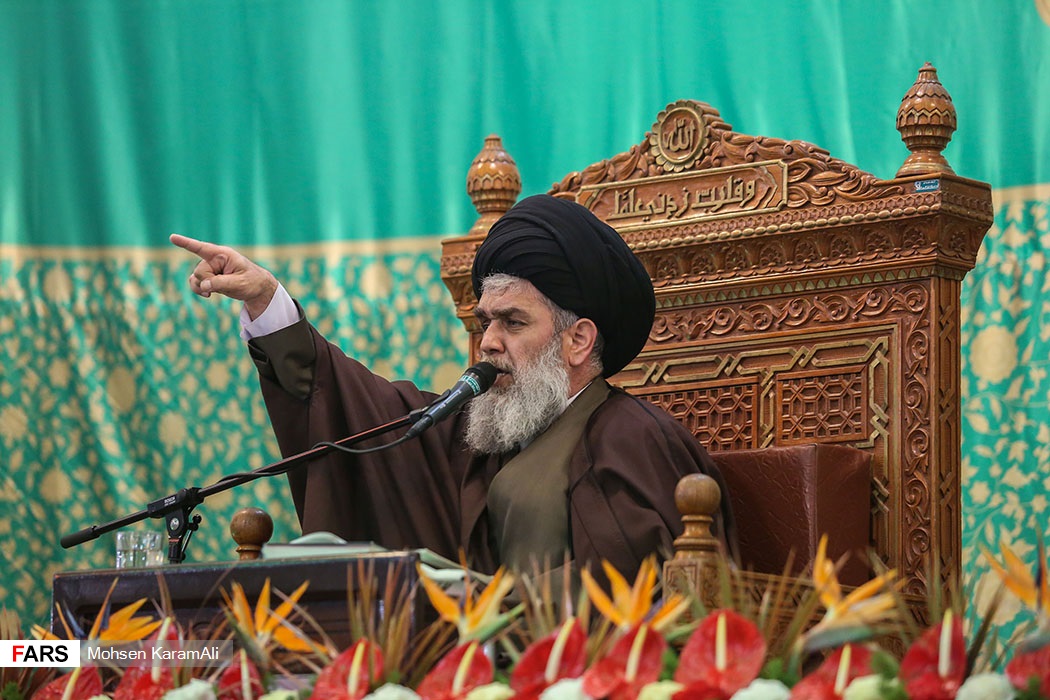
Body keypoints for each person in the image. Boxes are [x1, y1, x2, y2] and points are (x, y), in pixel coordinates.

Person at [172, 194, 735, 581]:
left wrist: (479, 608)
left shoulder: (633, 439)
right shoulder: (479, 433)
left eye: (512, 322)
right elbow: (363, 415)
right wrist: (266, 303)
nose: (487, 342)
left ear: (578, 340)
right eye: (485, 321)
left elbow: (638, 589)